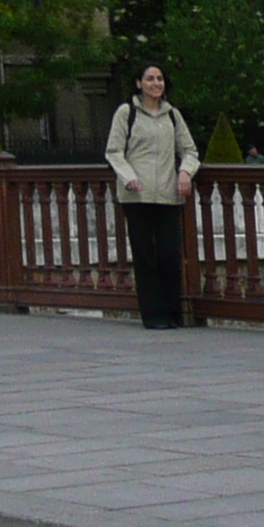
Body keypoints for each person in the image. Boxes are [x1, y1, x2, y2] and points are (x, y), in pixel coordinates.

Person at [106, 65, 200, 330]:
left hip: (169, 194)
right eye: (150, 79)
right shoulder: (127, 113)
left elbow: (190, 150)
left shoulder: (173, 116)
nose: (155, 83)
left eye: (159, 79)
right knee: (145, 255)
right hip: (137, 195)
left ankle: (173, 313)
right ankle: (153, 315)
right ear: (139, 83)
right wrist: (128, 177)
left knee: (170, 254)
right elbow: (114, 151)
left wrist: (185, 172)